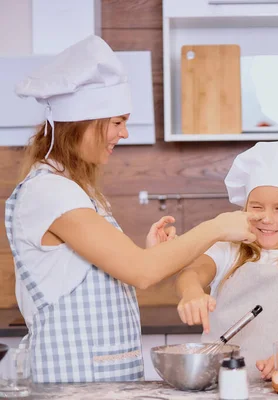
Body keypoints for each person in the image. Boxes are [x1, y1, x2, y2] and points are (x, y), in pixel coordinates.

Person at [5, 35, 257, 383]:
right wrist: (217, 227)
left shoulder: (73, 189)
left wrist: (152, 254)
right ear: (83, 123)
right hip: (72, 384)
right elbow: (142, 272)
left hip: (100, 379)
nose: (123, 134)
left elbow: (128, 271)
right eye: (117, 122)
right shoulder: (50, 192)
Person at [175, 141, 278, 383]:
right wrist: (191, 292)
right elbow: (194, 272)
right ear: (245, 208)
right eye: (257, 207)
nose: (266, 218)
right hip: (219, 386)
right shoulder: (227, 252)